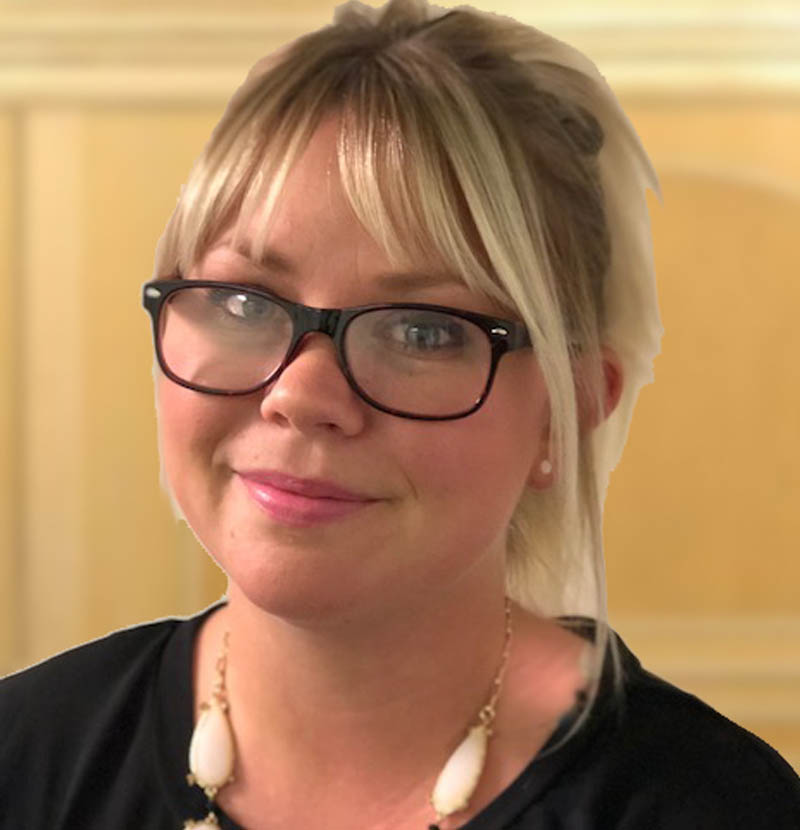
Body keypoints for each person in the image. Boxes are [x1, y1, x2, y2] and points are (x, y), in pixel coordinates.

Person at [1, 1, 799, 828]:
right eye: (244, 302)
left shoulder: (713, 808)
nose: (301, 396)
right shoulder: (23, 762)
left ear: (566, 414)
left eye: (422, 331)